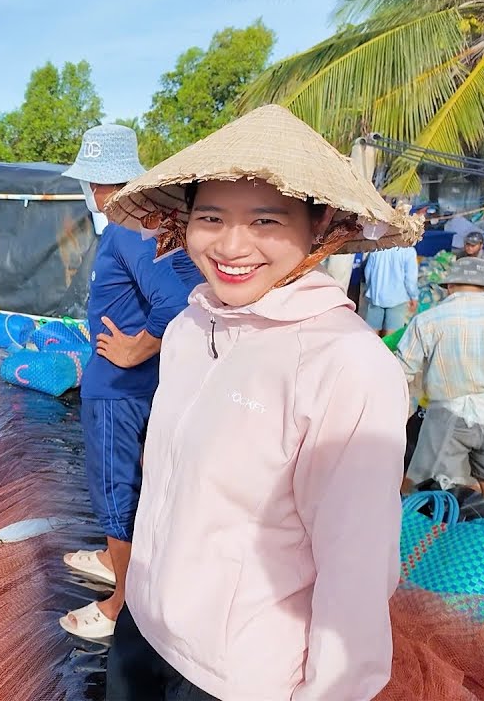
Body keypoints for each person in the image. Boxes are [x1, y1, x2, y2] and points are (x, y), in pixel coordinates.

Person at [100, 104, 417, 700]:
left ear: (320, 227)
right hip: (142, 632)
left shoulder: (346, 363)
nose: (232, 245)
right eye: (211, 217)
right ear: (184, 222)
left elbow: (356, 569)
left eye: (267, 221)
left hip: (238, 674)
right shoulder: (191, 329)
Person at [56, 124, 203, 641]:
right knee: (134, 482)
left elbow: (179, 298)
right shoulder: (147, 221)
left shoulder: (128, 228)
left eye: (93, 183)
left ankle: (123, 605)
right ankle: (112, 557)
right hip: (136, 384)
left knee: (116, 491)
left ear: (101, 185)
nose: (91, 193)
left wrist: (137, 346)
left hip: (119, 389)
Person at [397, 256, 484, 503]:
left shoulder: (428, 319)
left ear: (450, 286)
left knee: (430, 490)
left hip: (445, 415)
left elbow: (401, 373)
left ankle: (433, 535)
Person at [362, 246, 420, 336]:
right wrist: (414, 297)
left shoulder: (377, 248)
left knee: (371, 335)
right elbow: (410, 279)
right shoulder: (409, 251)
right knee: (391, 337)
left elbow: (368, 272)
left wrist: (369, 289)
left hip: (376, 297)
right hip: (397, 299)